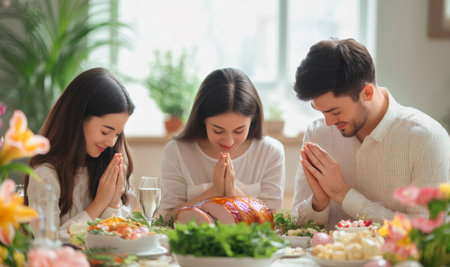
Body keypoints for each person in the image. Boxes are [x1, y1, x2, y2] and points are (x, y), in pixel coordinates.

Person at [291, 38, 450, 228]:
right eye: (321, 111)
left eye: (335, 112)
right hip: (320, 258)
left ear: (367, 93)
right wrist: (318, 203)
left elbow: (427, 232)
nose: (328, 122)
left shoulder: (426, 138)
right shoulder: (317, 133)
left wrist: (345, 195)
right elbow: (296, 229)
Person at [25, 67, 136, 241]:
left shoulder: (109, 166)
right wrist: (99, 203)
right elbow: (49, 244)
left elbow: (123, 241)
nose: (111, 143)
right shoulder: (45, 175)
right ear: (78, 118)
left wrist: (113, 203)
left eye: (117, 134)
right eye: (105, 131)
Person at [160, 68, 285, 219]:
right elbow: (167, 217)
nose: (228, 141)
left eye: (239, 131)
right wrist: (214, 191)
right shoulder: (177, 151)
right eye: (218, 131)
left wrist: (233, 192)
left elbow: (272, 220)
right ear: (202, 119)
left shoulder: (270, 152)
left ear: (252, 120)